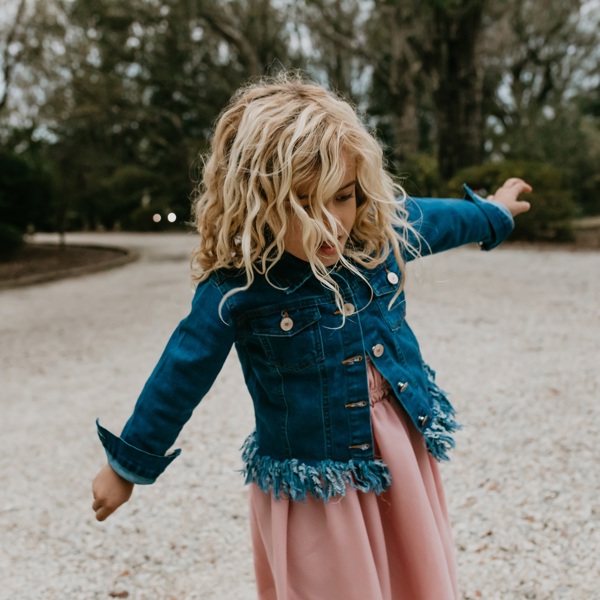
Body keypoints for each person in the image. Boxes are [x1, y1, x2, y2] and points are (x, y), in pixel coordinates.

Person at [92, 74, 532, 600]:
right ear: (257, 202)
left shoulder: (376, 235)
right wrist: (127, 466)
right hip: (316, 480)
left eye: (342, 197)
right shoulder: (238, 289)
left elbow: (441, 220)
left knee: (411, 572)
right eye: (303, 204)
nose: (332, 223)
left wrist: (494, 212)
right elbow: (180, 372)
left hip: (396, 445)